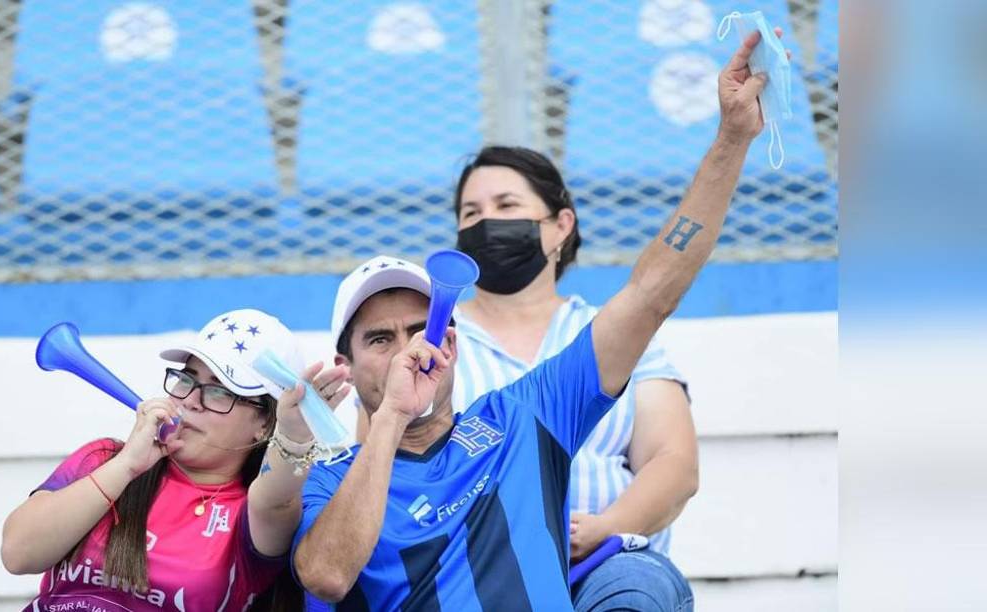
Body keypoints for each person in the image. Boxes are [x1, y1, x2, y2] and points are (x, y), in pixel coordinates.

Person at [292, 29, 781, 610]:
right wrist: (394, 416)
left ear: (450, 343)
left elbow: (652, 293)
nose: (406, 351)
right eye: (379, 339)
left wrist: (731, 139)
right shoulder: (332, 479)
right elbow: (326, 575)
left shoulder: (521, 417)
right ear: (346, 366)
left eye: (419, 331)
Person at [450, 144, 696, 610]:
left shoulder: (616, 335)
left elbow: (674, 462)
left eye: (507, 205)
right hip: (473, 576)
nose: (487, 222)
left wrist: (607, 528)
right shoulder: (431, 345)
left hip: (607, 568)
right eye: (471, 212)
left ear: (561, 226)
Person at [1, 309, 351, 611]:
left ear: (264, 424)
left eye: (219, 391)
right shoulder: (105, 458)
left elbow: (277, 499)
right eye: (186, 380)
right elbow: (18, 553)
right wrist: (125, 467)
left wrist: (293, 436)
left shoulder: (250, 513)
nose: (191, 401)